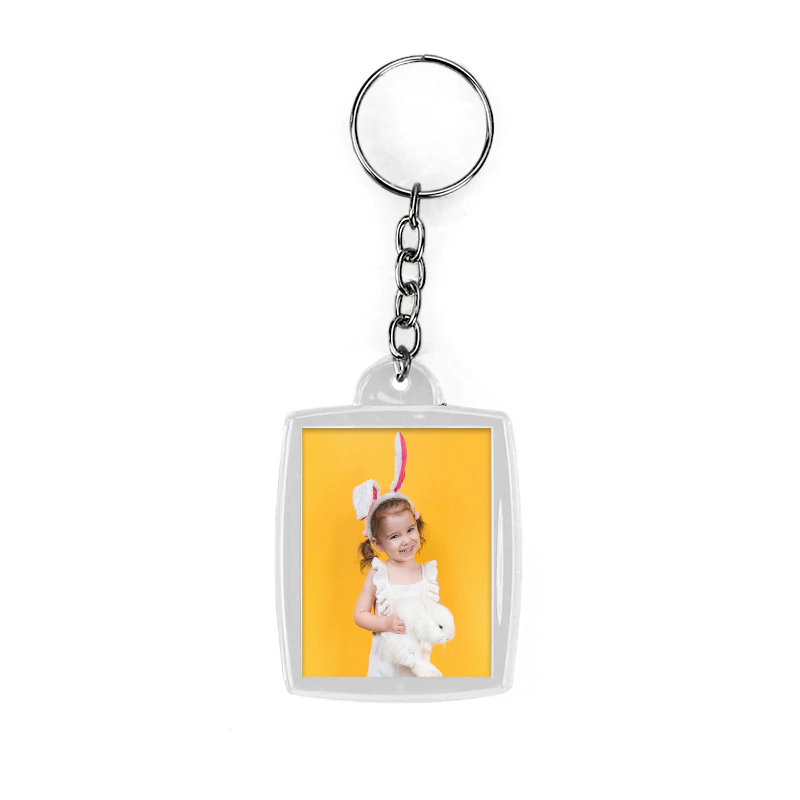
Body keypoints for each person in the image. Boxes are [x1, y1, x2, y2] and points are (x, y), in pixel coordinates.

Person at [350, 432, 440, 677]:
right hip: (384, 670)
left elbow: (435, 614)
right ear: (378, 544)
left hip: (417, 668)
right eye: (394, 536)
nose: (406, 540)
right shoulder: (378, 575)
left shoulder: (427, 574)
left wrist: (436, 626)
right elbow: (359, 615)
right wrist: (385, 623)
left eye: (410, 530)